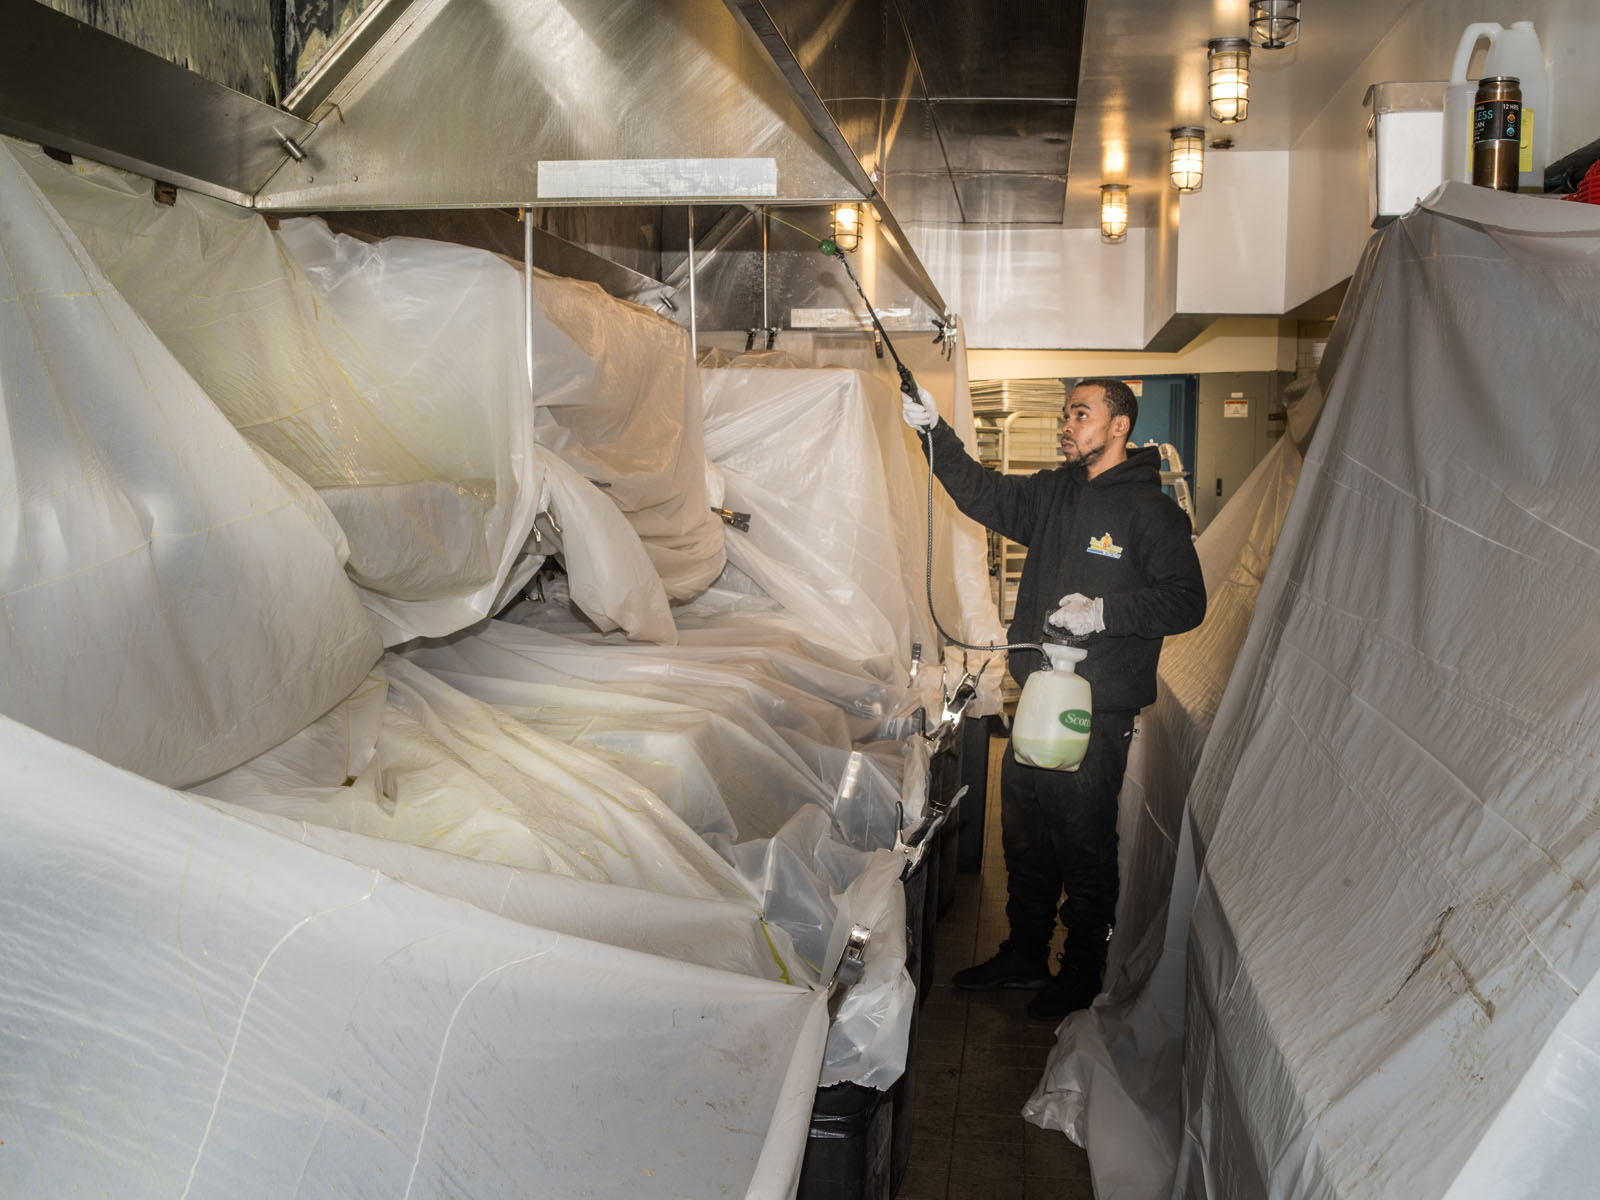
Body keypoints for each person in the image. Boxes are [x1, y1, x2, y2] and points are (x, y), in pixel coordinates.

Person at [903, 378, 1205, 1021]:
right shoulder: (1054, 494)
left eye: (1080, 413)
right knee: (1025, 832)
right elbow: (984, 492)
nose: (1067, 425)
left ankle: (1081, 974)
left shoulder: (1151, 514)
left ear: (1118, 425)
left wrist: (1104, 612)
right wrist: (934, 432)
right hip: (1041, 693)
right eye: (1065, 414)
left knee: (1084, 841)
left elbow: (1187, 600)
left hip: (1097, 710)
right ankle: (1024, 953)